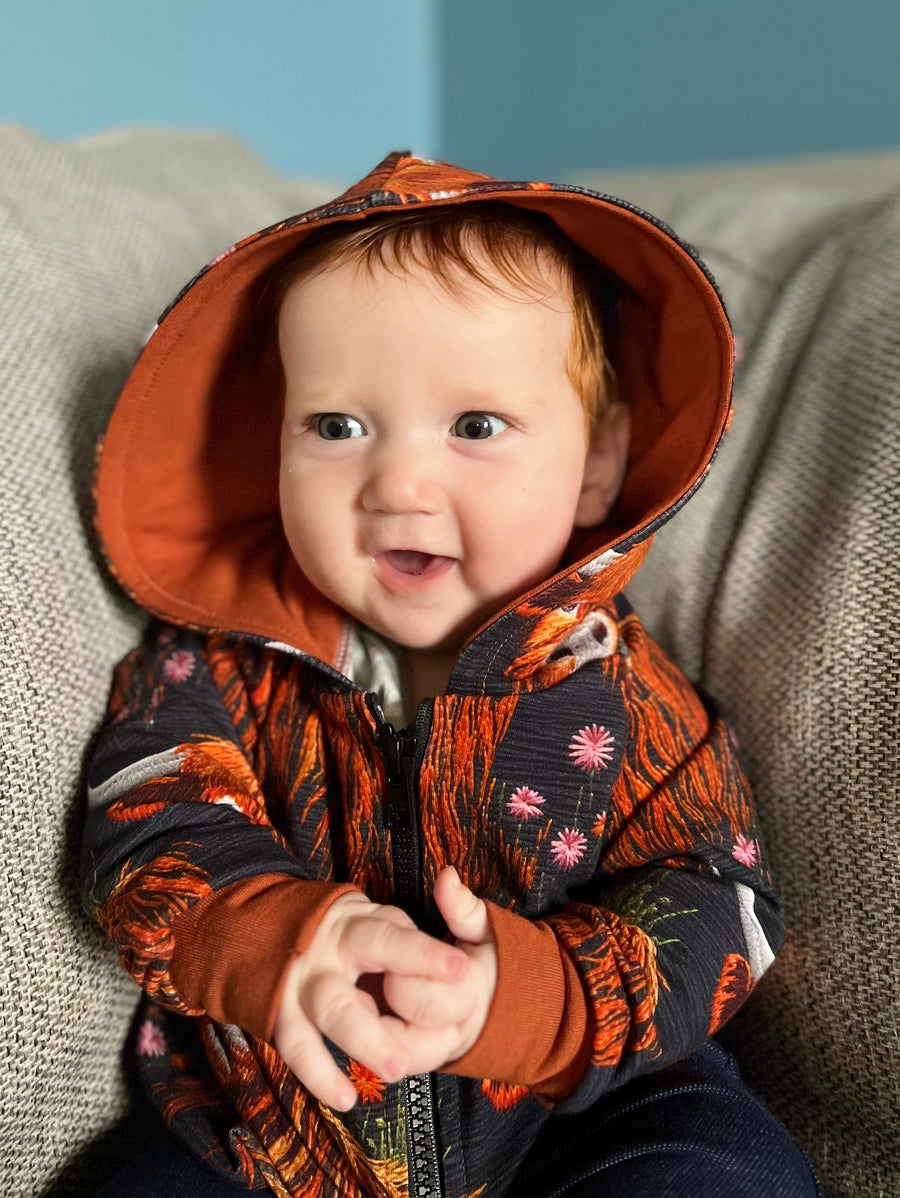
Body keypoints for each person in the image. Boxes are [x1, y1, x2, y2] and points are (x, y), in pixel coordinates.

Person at [84, 152, 822, 1197]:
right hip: (271, 1122)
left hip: (585, 1107)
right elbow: (144, 821)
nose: (398, 481)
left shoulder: (621, 685)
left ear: (599, 462)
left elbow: (721, 891)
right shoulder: (217, 668)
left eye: (475, 426)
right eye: (336, 426)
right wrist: (271, 933)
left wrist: (539, 1000)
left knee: (714, 1169)